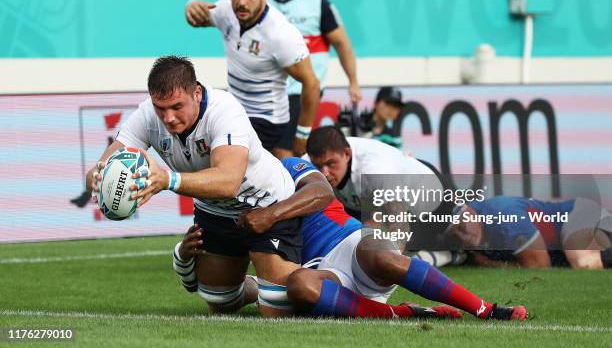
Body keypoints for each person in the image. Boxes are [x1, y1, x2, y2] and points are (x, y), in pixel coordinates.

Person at [87, 56, 319, 318]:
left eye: (177, 106)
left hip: (267, 205)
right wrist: (98, 179)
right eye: (160, 108)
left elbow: (229, 181)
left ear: (196, 93)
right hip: (216, 212)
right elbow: (102, 165)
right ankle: (258, 287)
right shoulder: (147, 115)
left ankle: (311, 272)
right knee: (221, 304)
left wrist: (168, 180)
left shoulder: (224, 110)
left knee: (278, 313)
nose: (169, 118)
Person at [174, 157, 528, 321]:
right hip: (321, 272)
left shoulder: (289, 166)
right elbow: (222, 293)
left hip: (351, 245)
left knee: (382, 254)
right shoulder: (229, 203)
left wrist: (273, 214)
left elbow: (322, 192)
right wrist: (183, 257)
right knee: (300, 288)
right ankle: (403, 313)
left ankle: (485, 309)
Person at [185, 0, 320, 157]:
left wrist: (302, 135)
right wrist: (190, 6)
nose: (242, 2)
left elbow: (312, 84)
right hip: (233, 109)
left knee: (225, 163)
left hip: (267, 120)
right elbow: (197, 18)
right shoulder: (226, 10)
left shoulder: (280, 34)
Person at [267, 0, 361, 158]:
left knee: (284, 150)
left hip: (302, 89)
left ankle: (291, 191)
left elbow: (342, 44)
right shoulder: (262, 2)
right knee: (270, 152)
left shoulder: (317, 2)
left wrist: (353, 81)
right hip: (269, 90)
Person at [305, 126, 455, 251]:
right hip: (366, 201)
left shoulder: (375, 169)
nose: (324, 173)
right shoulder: (306, 162)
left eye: (331, 164)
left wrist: (388, 269)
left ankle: (451, 252)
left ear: (347, 154)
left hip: (432, 197)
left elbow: (399, 224)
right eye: (318, 166)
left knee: (469, 239)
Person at [445, 196, 612, 269]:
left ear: (470, 209)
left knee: (585, 264)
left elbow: (540, 265)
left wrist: (491, 265)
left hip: (576, 214)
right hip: (561, 248)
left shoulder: (505, 215)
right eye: (455, 233)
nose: (464, 232)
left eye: (462, 223)